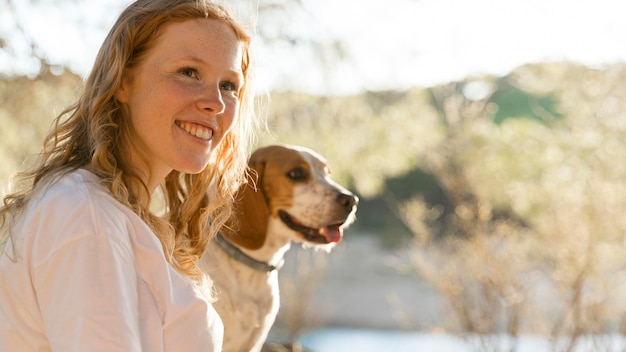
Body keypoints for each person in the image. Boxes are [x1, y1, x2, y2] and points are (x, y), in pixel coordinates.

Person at [0, 0, 257, 350]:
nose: (216, 102)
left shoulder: (111, 213)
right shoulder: (85, 214)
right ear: (123, 80)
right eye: (188, 72)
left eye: (229, 85)